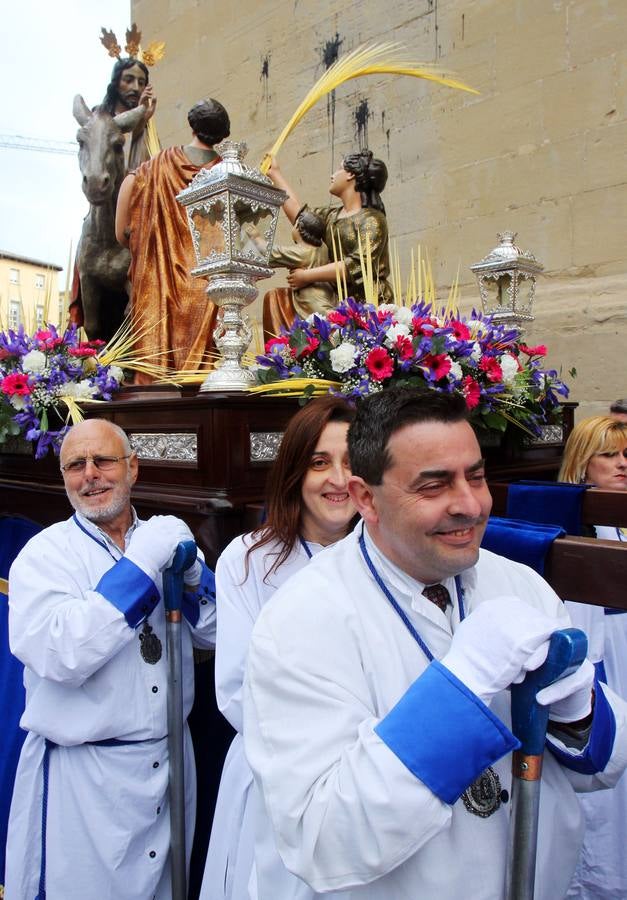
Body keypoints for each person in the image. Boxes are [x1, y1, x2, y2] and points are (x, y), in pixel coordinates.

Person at [243, 387, 627, 900]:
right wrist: (462, 688)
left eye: (476, 476)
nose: (470, 505)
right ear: (365, 498)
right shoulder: (301, 620)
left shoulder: (521, 585)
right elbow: (326, 838)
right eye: (433, 485)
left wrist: (581, 713)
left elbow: (605, 769)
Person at [5, 418, 216, 900]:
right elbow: (61, 653)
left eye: (102, 461)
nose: (90, 475)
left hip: (168, 763)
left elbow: (216, 632)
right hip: (87, 779)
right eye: (75, 465)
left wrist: (192, 579)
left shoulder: (165, 540)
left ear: (133, 468)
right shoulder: (45, 555)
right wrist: (140, 568)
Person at [200, 396, 357, 900]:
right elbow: (238, 691)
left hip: (372, 780)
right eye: (319, 463)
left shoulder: (392, 556)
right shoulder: (249, 561)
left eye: (352, 463)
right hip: (279, 777)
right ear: (293, 471)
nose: (338, 480)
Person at [558, 416, 627, 900]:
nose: (622, 464)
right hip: (603, 665)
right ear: (583, 463)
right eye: (609, 455)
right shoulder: (570, 526)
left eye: (626, 455)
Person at [115, 98, 230, 382]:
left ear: (191, 125)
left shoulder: (150, 170)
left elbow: (121, 235)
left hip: (157, 285)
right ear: (222, 135)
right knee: (204, 377)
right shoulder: (228, 173)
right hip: (207, 289)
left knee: (155, 373)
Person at [268, 150, 393, 303]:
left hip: (371, 304)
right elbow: (301, 218)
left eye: (339, 169)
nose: (332, 175)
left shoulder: (372, 220)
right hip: (337, 302)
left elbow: (357, 264)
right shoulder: (330, 216)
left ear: (350, 175)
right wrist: (274, 173)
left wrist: (307, 276)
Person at [257, 208, 336, 341]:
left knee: (324, 323)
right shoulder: (322, 248)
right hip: (327, 294)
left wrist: (256, 238)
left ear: (299, 227)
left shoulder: (302, 252)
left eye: (294, 225)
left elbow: (272, 253)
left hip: (312, 300)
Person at [100, 56, 157, 172]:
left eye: (141, 83)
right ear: (116, 83)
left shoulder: (146, 123)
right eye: (128, 80)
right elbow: (110, 154)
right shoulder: (101, 117)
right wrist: (139, 120)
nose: (136, 88)